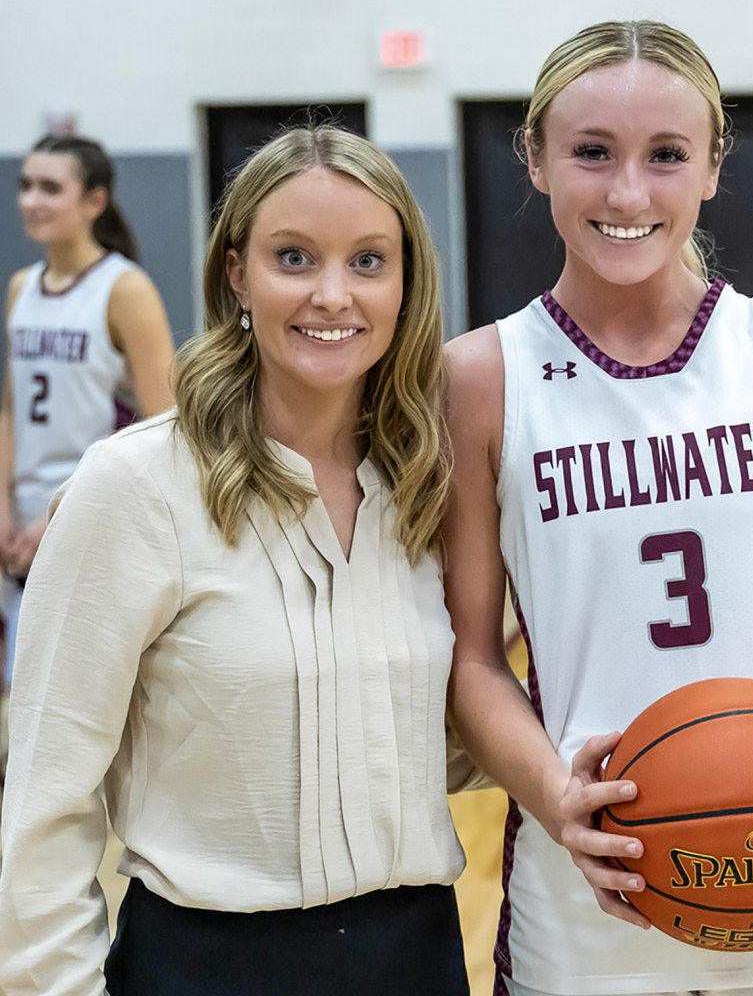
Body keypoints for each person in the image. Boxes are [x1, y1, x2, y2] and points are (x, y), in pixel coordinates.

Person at [443, 20, 753, 996]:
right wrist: (556, 799)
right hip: (591, 881)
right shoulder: (479, 377)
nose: (628, 193)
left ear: (712, 167)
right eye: (592, 153)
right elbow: (468, 656)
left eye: (665, 155)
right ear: (535, 159)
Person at [0, 125, 470, 995]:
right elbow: (44, 799)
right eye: (294, 257)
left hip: (419, 957)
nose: (334, 294)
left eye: (369, 261)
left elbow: (434, 743)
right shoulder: (135, 486)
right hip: (207, 966)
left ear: (406, 283)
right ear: (236, 273)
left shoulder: (432, 487)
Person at [0, 134, 175, 693]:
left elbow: (164, 425)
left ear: (94, 201)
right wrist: (3, 508)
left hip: (89, 511)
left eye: (51, 188)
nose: (32, 200)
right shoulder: (22, 286)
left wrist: (56, 518)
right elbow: (10, 406)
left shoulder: (124, 289)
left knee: (68, 697)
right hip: (19, 522)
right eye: (25, 185)